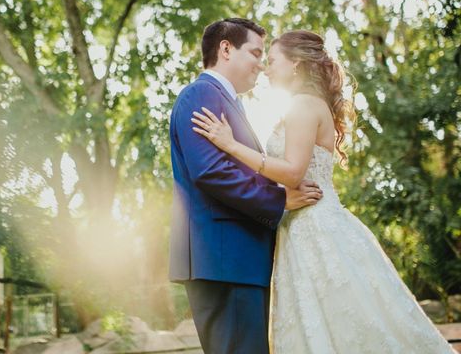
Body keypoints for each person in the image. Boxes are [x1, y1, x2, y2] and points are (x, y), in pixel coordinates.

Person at [192, 29, 454, 353]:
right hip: (302, 225)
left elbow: (292, 171)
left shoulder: (302, 104)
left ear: (297, 64)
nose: (266, 69)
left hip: (313, 228)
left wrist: (229, 144)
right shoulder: (307, 104)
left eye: (272, 61)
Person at [168, 19, 323, 354]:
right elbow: (211, 172)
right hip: (226, 259)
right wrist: (280, 199)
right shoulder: (201, 94)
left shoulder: (227, 101)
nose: (260, 63)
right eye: (255, 52)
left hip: (238, 261)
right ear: (226, 49)